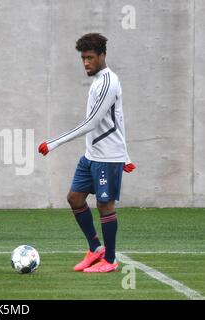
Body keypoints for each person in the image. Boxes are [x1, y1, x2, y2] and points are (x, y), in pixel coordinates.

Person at [38, 33, 136, 273]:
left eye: (90, 57)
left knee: (105, 206)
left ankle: (110, 260)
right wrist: (128, 155)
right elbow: (118, 119)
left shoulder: (109, 82)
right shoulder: (97, 82)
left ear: (102, 55)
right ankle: (95, 248)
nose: (85, 63)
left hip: (107, 157)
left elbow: (92, 123)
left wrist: (53, 143)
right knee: (74, 198)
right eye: (83, 58)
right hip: (91, 156)